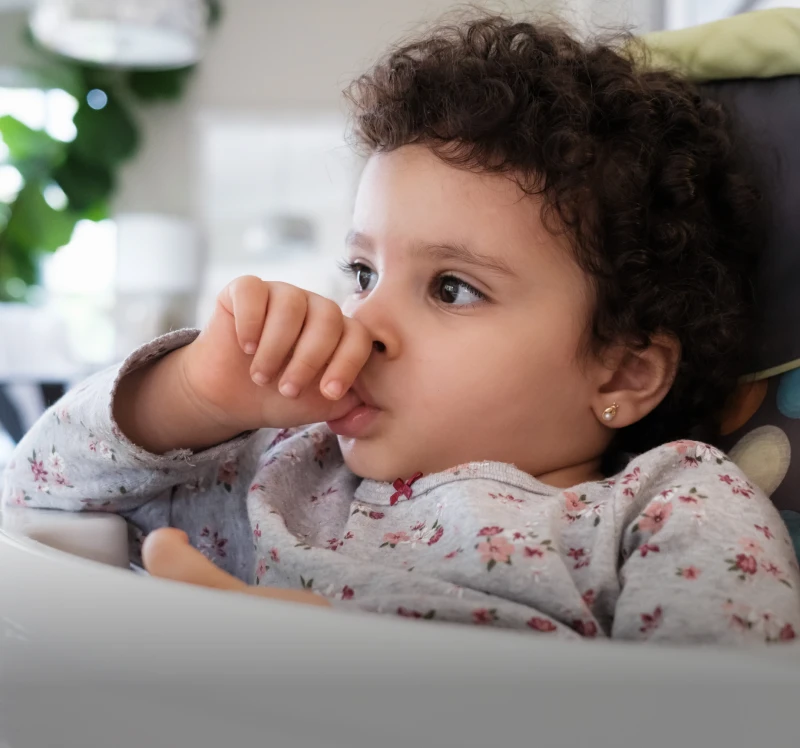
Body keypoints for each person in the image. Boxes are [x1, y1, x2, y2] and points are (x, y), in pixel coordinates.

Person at [4, 12, 799, 643]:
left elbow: (727, 720)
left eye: (452, 288)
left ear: (622, 372)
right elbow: (40, 495)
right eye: (361, 273)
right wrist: (191, 396)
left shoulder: (665, 511)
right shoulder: (284, 468)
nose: (365, 322)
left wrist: (337, 673)